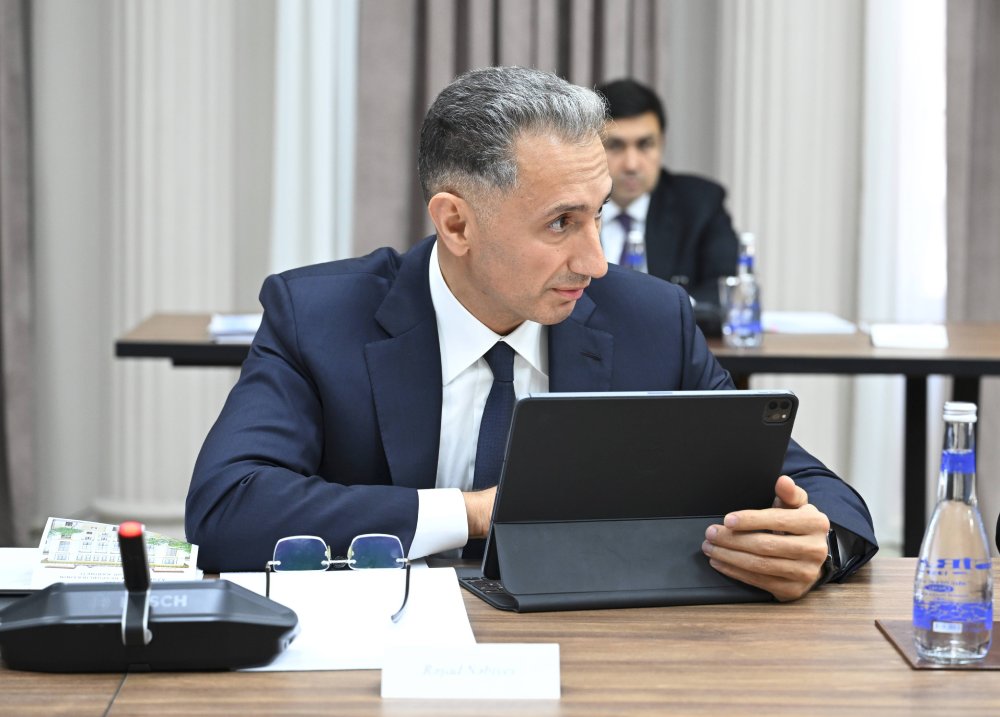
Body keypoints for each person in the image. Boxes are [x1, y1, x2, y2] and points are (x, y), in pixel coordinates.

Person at [186, 66, 877, 602]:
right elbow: (228, 508)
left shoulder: (650, 321)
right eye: (561, 223)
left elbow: (825, 494)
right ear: (456, 223)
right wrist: (475, 512)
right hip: (373, 655)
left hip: (594, 657)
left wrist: (818, 546)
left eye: (598, 215)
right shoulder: (319, 317)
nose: (596, 262)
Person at [595, 78, 738, 307]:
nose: (631, 165)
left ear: (661, 144)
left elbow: (725, 291)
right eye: (615, 146)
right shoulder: (568, 207)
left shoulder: (700, 204)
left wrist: (667, 312)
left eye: (645, 145)